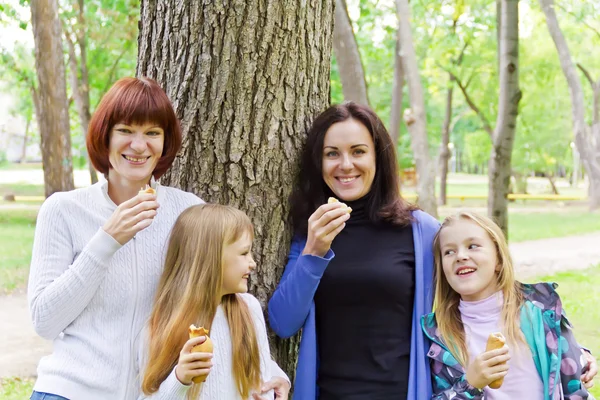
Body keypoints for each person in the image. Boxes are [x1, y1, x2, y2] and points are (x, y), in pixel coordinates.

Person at [27, 77, 289, 400]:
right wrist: (106, 241)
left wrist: (267, 371)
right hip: (69, 392)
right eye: (125, 130)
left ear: (165, 142)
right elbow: (44, 321)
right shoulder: (63, 210)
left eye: (152, 133)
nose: (139, 146)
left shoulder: (188, 210)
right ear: (104, 136)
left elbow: (223, 297)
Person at [268, 102, 440, 399]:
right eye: (332, 153)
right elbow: (283, 323)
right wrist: (314, 250)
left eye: (358, 151)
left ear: (378, 158)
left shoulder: (422, 232)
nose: (345, 164)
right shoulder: (312, 231)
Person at [421, 211, 595, 399]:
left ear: (498, 260)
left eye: (472, 246)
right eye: (449, 251)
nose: (461, 256)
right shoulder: (439, 336)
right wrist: (471, 384)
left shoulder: (541, 312)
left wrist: (581, 356)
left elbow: (572, 382)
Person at [137, 204, 288, 399]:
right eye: (244, 253)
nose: (253, 262)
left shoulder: (249, 309)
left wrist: (277, 383)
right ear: (210, 259)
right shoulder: (160, 326)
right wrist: (180, 379)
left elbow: (262, 376)